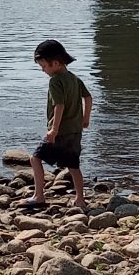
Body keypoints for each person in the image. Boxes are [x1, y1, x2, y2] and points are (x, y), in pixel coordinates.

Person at [28, 38, 92, 211]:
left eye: (44, 66)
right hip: (75, 131)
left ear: (55, 63)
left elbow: (59, 105)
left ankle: (39, 196)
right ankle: (80, 199)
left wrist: (53, 129)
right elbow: (88, 97)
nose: (43, 70)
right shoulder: (74, 79)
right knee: (73, 165)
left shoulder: (55, 81)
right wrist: (85, 119)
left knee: (35, 159)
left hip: (60, 131)